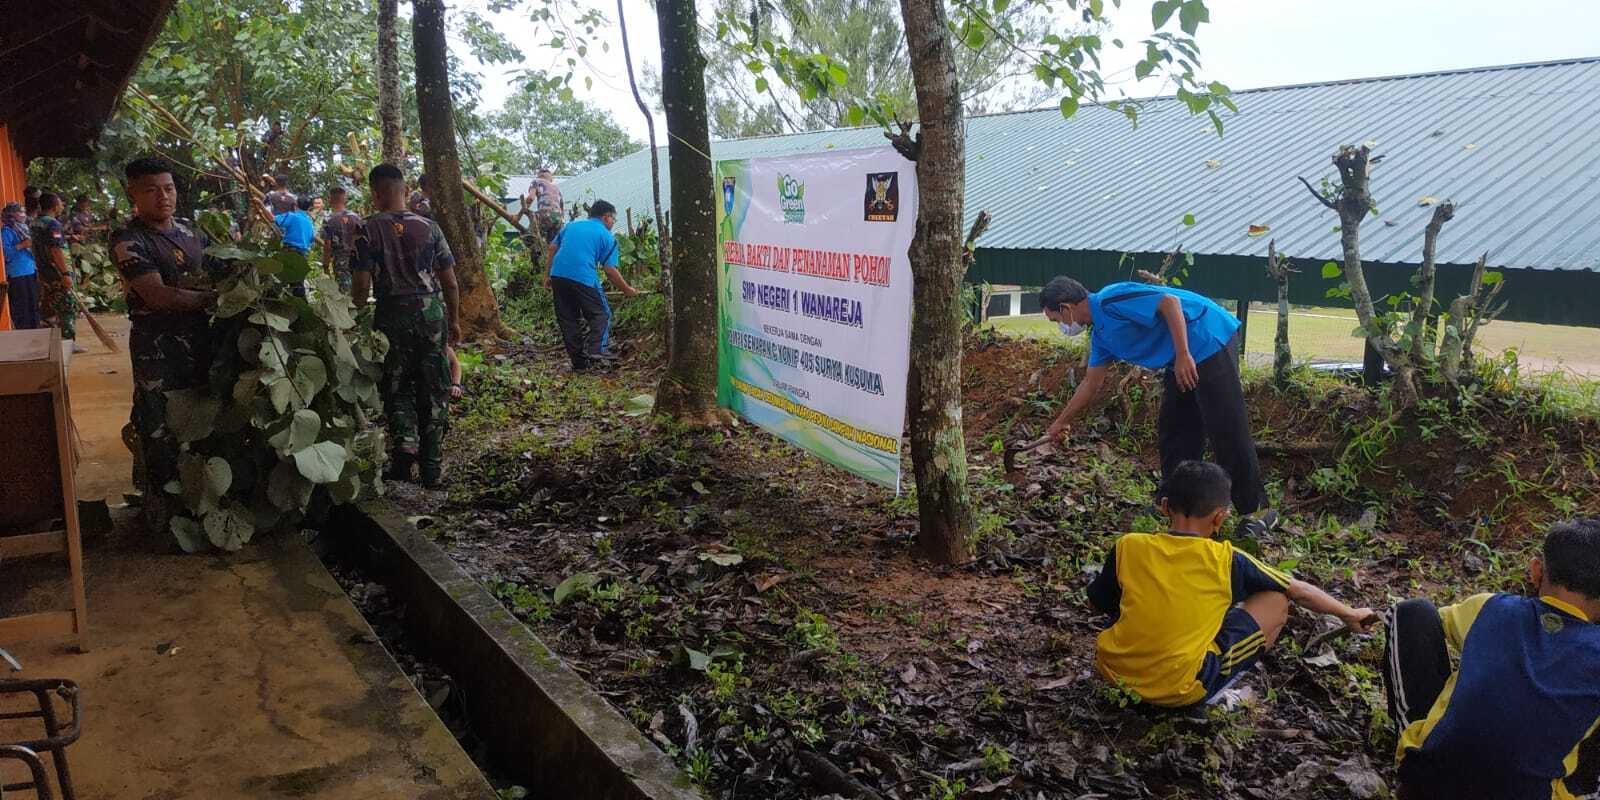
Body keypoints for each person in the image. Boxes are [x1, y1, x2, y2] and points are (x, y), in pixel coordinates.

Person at [1087, 461, 1374, 708]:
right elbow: (1299, 590)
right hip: (1180, 688)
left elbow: (1102, 602)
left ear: (1164, 507)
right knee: (1276, 601)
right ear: (1220, 517)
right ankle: (1221, 688)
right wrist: (1349, 614)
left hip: (1113, 672)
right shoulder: (1227, 559)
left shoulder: (1129, 546)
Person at [1381, 518, 1600, 800]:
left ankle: (1415, 757)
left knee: (1410, 612)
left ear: (1536, 570)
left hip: (1427, 784)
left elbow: (1426, 622)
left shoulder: (1490, 607)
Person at [1037, 276, 1270, 523]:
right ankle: (1176, 504)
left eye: (1056, 320)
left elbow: (1169, 303)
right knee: (1175, 429)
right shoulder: (1102, 336)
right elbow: (1090, 383)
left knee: (1226, 427)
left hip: (1206, 338)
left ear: (1066, 308)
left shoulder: (1110, 298)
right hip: (1180, 358)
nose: (1061, 326)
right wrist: (1060, 422)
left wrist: (1183, 354)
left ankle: (1258, 512)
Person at [111, 157, 223, 536]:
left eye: (169, 188)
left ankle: (198, 509)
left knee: (202, 422)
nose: (164, 197)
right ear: (133, 193)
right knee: (158, 428)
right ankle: (162, 518)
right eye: (152, 189)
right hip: (156, 348)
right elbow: (156, 295)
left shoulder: (194, 233)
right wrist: (214, 299)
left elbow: (223, 269)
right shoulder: (128, 239)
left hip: (201, 343)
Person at [352, 163, 461, 488]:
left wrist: (355, 320)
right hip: (431, 313)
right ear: (404, 189)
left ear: (375, 194)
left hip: (391, 314)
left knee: (396, 386)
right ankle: (432, 468)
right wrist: (452, 319)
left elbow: (360, 285)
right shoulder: (430, 227)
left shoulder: (367, 229)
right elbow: (450, 282)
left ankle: (405, 449)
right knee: (434, 385)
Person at [543, 200, 637, 372]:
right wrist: (627, 290)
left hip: (558, 276)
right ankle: (596, 351)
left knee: (568, 319)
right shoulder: (607, 237)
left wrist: (547, 276)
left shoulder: (571, 226)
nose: (613, 222)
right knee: (601, 314)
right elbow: (609, 269)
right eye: (613, 218)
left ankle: (579, 364)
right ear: (606, 217)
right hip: (583, 278)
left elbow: (551, 248)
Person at [30, 193, 83, 352]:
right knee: (66, 306)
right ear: (54, 206)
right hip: (57, 272)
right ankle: (68, 343)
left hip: (44, 271)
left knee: (49, 306)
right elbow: (56, 250)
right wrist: (66, 274)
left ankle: (50, 342)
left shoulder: (35, 223)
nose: (62, 206)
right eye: (60, 203)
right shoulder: (53, 224)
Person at [2, 203, 40, 330]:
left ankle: (35, 331)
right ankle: (24, 333)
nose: (22, 214)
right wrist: (22, 245)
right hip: (17, 273)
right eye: (19, 212)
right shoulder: (6, 231)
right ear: (11, 214)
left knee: (33, 304)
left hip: (30, 270)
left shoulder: (24, 228)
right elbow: (5, 254)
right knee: (21, 307)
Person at [321, 186, 362, 293]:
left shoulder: (329, 220)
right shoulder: (356, 217)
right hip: (358, 259)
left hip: (340, 261)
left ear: (330, 199)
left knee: (344, 293)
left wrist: (325, 265)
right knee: (357, 291)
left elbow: (327, 246)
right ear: (345, 199)